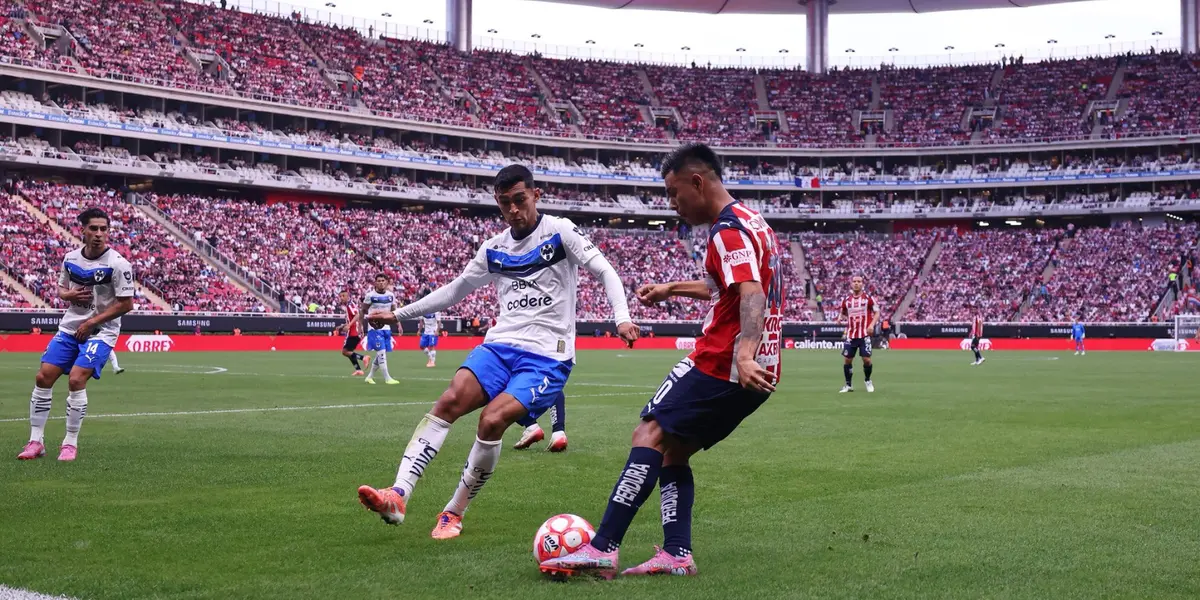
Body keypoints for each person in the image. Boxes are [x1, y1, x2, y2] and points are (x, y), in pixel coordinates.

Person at [539, 142, 783, 579]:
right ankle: (676, 553)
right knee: (674, 451)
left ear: (697, 181)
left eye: (673, 193)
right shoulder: (751, 222)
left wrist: (743, 354)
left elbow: (752, 293)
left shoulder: (726, 230)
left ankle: (602, 547)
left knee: (649, 432)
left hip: (723, 361)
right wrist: (670, 288)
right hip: (759, 368)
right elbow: (721, 286)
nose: (672, 205)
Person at [356, 164, 637, 540]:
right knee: (449, 400)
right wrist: (397, 315)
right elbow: (455, 290)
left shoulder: (560, 231)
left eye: (520, 200)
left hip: (547, 356)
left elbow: (605, 271)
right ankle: (398, 495)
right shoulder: (494, 248)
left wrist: (621, 318)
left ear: (536, 195)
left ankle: (453, 512)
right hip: (500, 345)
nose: (514, 210)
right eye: (505, 203)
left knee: (492, 420)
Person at [18, 208, 134, 462]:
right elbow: (61, 289)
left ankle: (70, 443)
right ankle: (35, 441)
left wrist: (92, 322)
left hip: (101, 332)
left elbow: (126, 304)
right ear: (82, 229)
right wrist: (68, 295)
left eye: (104, 229)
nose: (99, 234)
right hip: (71, 328)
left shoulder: (118, 264)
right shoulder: (70, 258)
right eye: (93, 228)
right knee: (43, 377)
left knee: (76, 379)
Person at [838, 275, 879, 393]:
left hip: (864, 335)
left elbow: (877, 313)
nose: (856, 283)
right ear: (851, 284)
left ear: (862, 284)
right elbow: (843, 312)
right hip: (851, 335)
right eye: (854, 281)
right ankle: (848, 385)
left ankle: (868, 380)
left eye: (859, 281)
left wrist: (871, 325)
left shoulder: (868, 299)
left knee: (866, 360)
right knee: (847, 360)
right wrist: (840, 318)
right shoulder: (846, 300)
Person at [360, 274, 398, 385]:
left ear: (387, 282)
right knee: (381, 353)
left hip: (386, 328)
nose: (381, 282)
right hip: (374, 328)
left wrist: (398, 324)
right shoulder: (370, 296)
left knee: (381, 353)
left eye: (383, 280)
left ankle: (369, 377)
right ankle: (387, 378)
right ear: (375, 283)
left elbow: (394, 311)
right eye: (379, 281)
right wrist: (360, 326)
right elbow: (363, 311)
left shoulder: (391, 296)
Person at [336, 290, 366, 375]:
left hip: (354, 332)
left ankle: (364, 358)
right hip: (355, 332)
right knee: (349, 352)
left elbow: (357, 315)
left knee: (345, 352)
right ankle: (358, 370)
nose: (341, 298)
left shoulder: (350, 305)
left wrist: (349, 325)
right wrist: (342, 326)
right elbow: (352, 318)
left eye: (343, 296)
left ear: (348, 296)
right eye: (340, 296)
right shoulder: (348, 305)